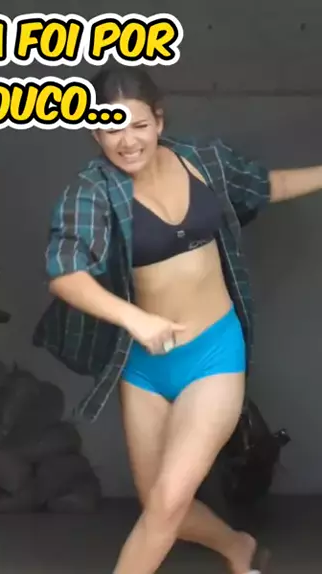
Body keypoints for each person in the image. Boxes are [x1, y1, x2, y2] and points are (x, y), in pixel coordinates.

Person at [33, 65, 322, 574]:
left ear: (159, 121)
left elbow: (266, 184)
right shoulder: (92, 190)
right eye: (110, 128)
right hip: (143, 365)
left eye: (139, 125)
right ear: (93, 132)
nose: (127, 141)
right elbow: (66, 274)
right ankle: (237, 546)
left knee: (167, 501)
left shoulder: (205, 161)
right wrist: (136, 320)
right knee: (161, 505)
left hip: (213, 351)